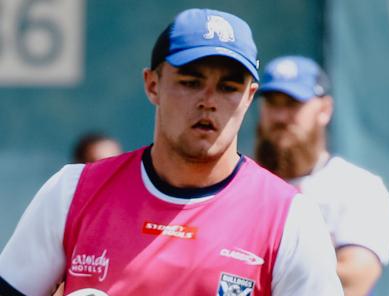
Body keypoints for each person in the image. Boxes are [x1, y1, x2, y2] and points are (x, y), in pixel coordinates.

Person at [0, 10, 343, 296]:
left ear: (250, 96)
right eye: (190, 82)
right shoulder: (72, 191)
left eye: (228, 87)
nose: (208, 101)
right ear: (152, 85)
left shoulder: (290, 218)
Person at [255, 55, 389, 295]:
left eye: (292, 103)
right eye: (272, 103)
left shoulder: (359, 188)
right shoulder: (242, 182)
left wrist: (249, 265)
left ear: (324, 109)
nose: (279, 116)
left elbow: (353, 281)